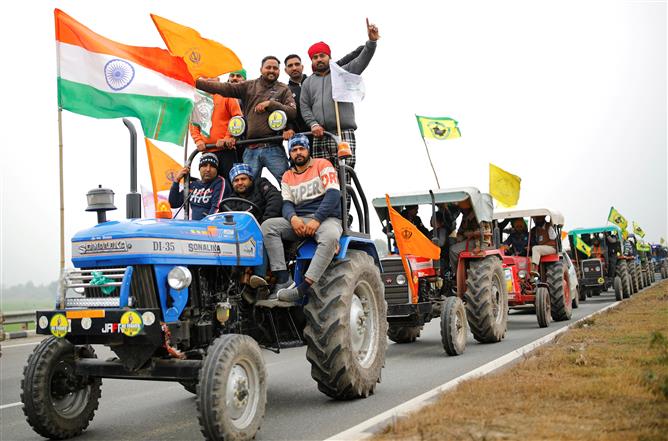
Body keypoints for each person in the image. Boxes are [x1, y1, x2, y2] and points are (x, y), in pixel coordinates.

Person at [261, 135, 342, 303]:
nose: (298, 153)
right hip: (300, 219)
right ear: (289, 154)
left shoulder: (322, 165)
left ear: (308, 150)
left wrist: (317, 219)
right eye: (294, 150)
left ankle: (302, 289)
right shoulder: (287, 176)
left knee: (330, 236)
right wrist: (293, 219)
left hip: (325, 218)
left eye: (301, 149)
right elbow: (287, 203)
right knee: (268, 227)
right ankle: (283, 279)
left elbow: (333, 194)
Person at [196, 56, 297, 183]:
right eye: (268, 67)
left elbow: (292, 112)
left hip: (273, 147)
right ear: (261, 69)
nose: (271, 70)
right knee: (246, 189)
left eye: (275, 68)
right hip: (250, 149)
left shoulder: (283, 89)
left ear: (279, 71)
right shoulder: (249, 86)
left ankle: (288, 204)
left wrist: (271, 104)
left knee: (287, 183)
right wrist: (195, 82)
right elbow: (224, 88)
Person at [300, 19, 380, 172]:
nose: (319, 59)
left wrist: (371, 42)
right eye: (315, 57)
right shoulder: (308, 82)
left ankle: (346, 198)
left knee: (345, 172)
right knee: (323, 176)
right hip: (320, 135)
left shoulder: (341, 72)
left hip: (343, 132)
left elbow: (362, 60)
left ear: (329, 57)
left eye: (322, 55)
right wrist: (313, 124)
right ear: (311, 61)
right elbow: (304, 106)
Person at [284, 47, 364, 137]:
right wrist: (289, 128)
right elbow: (289, 114)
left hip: (323, 131)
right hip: (303, 136)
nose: (294, 68)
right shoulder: (286, 91)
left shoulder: (315, 80)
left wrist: (364, 47)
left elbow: (339, 63)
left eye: (297, 64)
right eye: (290, 66)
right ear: (285, 70)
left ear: (302, 67)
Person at [190, 76, 243, 181]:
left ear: (218, 80)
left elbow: (237, 118)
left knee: (230, 183)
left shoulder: (227, 95)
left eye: (212, 77)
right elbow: (193, 124)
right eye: (205, 77)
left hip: (226, 151)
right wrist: (198, 141)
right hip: (206, 152)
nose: (209, 79)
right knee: (209, 186)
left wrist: (227, 137)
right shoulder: (197, 100)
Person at [168, 153, 230, 220]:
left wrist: (205, 225)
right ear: (199, 169)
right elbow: (173, 203)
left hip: (211, 226)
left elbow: (216, 208)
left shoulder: (220, 182)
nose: (208, 169)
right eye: (204, 166)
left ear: (216, 170)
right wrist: (176, 180)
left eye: (212, 166)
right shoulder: (193, 185)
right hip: (195, 227)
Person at [449, 199, 492, 275]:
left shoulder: (479, 216)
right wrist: (460, 237)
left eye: (462, 208)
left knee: (453, 250)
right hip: (469, 240)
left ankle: (457, 275)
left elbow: (485, 233)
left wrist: (479, 246)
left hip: (478, 242)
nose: (461, 210)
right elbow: (461, 231)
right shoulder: (466, 217)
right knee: (451, 242)